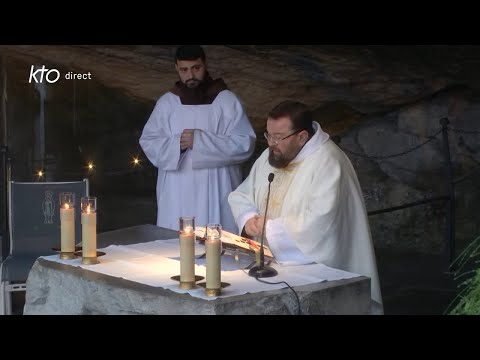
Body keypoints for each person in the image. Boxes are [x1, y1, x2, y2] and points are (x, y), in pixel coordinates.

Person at [228, 100, 383, 313]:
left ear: (302, 137)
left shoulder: (328, 161)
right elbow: (242, 194)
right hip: (268, 264)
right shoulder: (271, 156)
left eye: (278, 137)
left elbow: (321, 223)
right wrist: (248, 219)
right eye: (268, 135)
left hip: (317, 271)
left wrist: (269, 229)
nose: (271, 143)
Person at [139, 45, 256, 233]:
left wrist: (201, 142)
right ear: (176, 68)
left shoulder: (226, 101)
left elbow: (244, 143)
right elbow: (149, 141)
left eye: (196, 68)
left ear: (205, 65)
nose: (190, 75)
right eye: (184, 70)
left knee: (218, 251)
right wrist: (178, 144)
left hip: (218, 187)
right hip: (177, 190)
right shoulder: (167, 103)